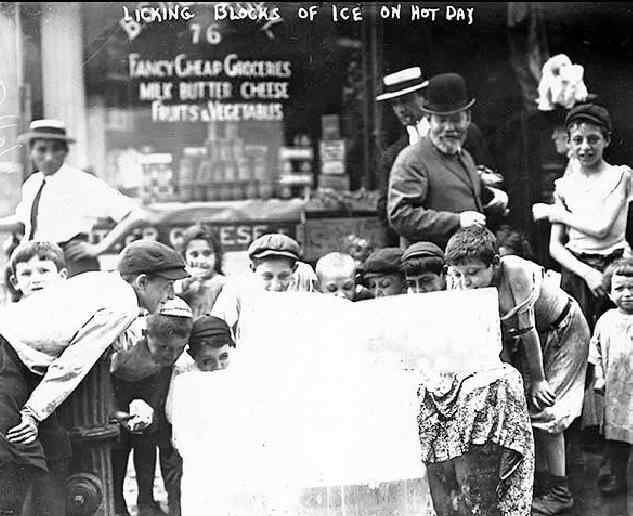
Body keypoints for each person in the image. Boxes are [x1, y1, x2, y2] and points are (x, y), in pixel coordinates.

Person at [0, 239, 188, 514]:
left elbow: (113, 342)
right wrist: (33, 413)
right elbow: (74, 363)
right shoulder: (122, 303)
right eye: (167, 285)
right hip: (6, 358)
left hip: (17, 360)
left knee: (54, 450)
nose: (170, 295)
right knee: (16, 454)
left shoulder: (106, 284)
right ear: (143, 282)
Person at [445, 226, 590, 515]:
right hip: (526, 341)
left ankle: (560, 493)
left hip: (563, 331)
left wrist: (538, 380)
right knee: (517, 408)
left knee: (546, 410)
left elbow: (528, 331)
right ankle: (534, 482)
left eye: (473, 273)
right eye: (460, 274)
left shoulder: (515, 272)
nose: (466, 282)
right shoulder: (462, 283)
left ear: (494, 263)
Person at [0, 119, 156, 276]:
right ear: (31, 152)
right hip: (37, 264)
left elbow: (136, 214)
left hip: (72, 262)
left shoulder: (81, 182)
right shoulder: (32, 184)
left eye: (56, 149)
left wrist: (100, 247)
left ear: (66, 152)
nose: (48, 156)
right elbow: (23, 222)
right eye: (41, 150)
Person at [533, 104, 631, 332]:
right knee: (579, 336)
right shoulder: (564, 185)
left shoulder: (621, 176)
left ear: (606, 141)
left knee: (618, 334)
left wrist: (555, 213)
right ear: (569, 142)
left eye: (593, 139)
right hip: (577, 272)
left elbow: (602, 229)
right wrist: (587, 273)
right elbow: (555, 247)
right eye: (578, 139)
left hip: (615, 268)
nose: (585, 147)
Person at [376, 67, 496, 245]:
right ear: (429, 119)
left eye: (456, 119)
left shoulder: (464, 156)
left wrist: (491, 199)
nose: (449, 128)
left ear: (468, 119)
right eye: (441, 121)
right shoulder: (409, 157)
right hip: (429, 264)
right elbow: (400, 216)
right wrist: (456, 221)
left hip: (468, 261)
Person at [111, 297, 194, 516]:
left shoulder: (172, 362)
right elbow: (103, 388)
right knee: (118, 452)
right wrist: (117, 414)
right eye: (163, 347)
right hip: (118, 405)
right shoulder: (124, 352)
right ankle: (117, 504)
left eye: (178, 349)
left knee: (147, 447)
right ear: (146, 335)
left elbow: (162, 394)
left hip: (148, 409)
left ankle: (146, 501)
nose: (170, 354)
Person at [589, 257, 633, 497]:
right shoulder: (606, 321)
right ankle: (615, 478)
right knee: (616, 439)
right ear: (608, 292)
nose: (627, 294)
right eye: (619, 288)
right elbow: (595, 352)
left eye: (632, 288)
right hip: (617, 391)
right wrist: (599, 377)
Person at [211, 234, 303, 340]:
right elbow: (215, 331)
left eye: (284, 276)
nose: (276, 286)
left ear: (295, 269)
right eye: (267, 276)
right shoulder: (237, 290)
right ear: (253, 269)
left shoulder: (303, 288)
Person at [176, 224, 226, 318]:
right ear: (184, 257)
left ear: (216, 256)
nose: (201, 260)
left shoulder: (224, 284)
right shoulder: (182, 285)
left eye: (207, 253)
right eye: (194, 254)